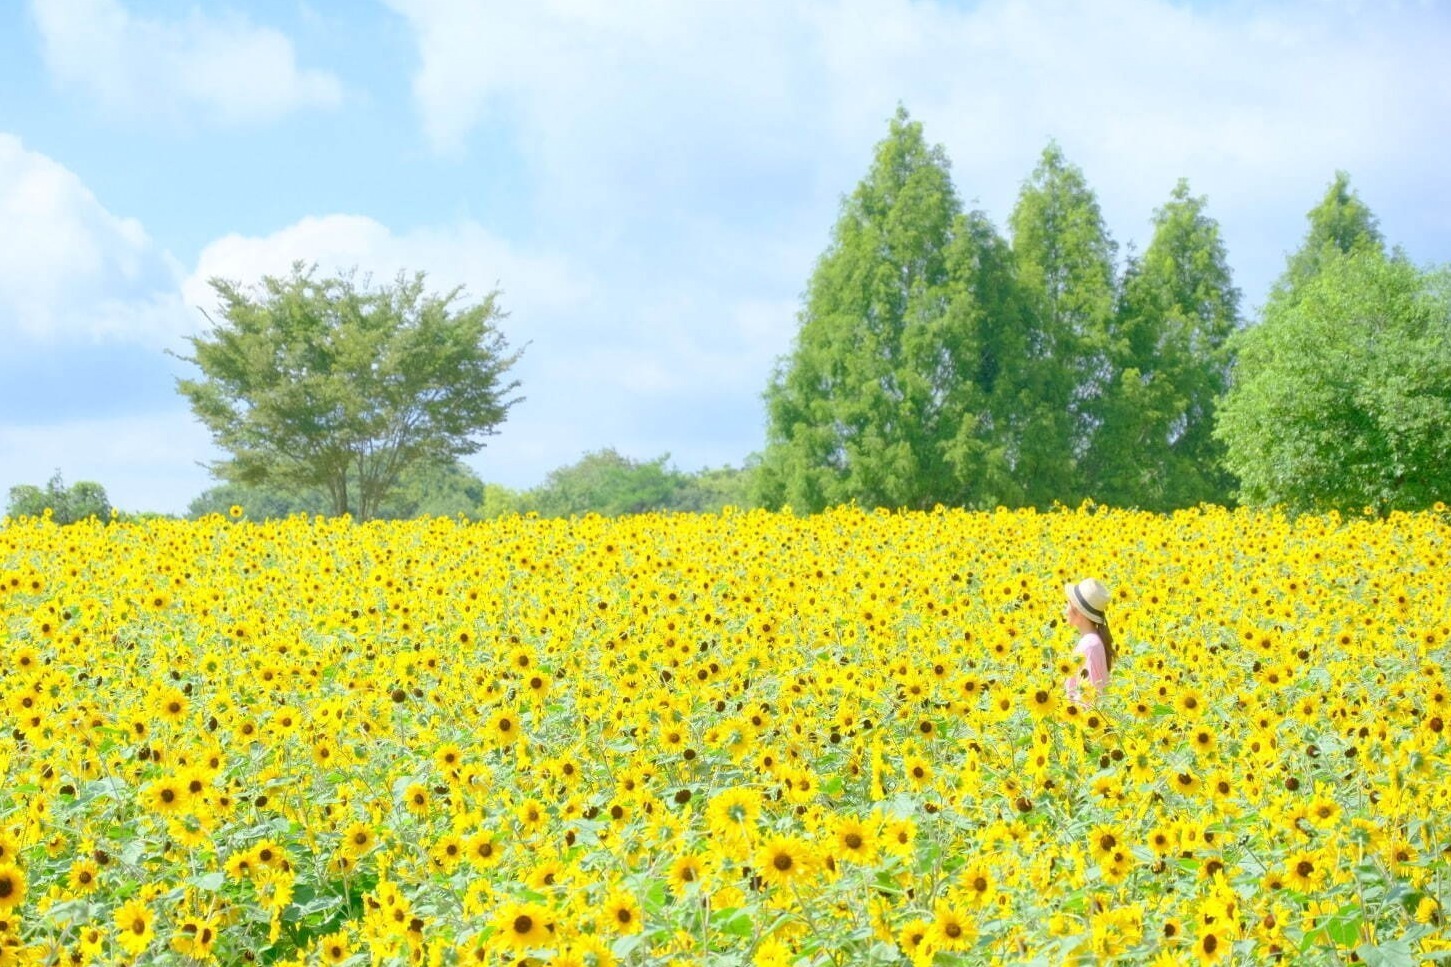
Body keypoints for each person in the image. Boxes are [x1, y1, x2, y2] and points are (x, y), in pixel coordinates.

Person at [1063, 578, 1115, 702]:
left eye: (1068, 604)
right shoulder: (1092, 640)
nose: (1065, 610)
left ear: (1079, 612)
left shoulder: (1090, 645)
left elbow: (1091, 697)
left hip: (1082, 719)